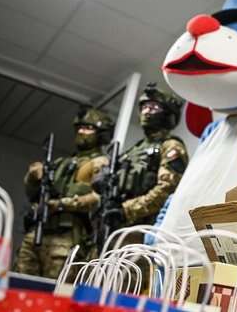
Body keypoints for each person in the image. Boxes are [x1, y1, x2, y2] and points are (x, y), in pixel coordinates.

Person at [14, 107, 113, 279]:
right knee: (19, 286)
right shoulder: (61, 162)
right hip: (37, 232)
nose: (82, 132)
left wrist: (60, 205)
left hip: (68, 238)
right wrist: (33, 176)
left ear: (101, 134)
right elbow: (32, 193)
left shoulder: (101, 163)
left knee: (54, 293)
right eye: (80, 128)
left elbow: (99, 199)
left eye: (89, 128)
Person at [92, 83, 187, 242]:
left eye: (154, 107)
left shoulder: (170, 146)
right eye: (144, 107)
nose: (147, 111)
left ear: (167, 114)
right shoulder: (132, 151)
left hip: (141, 231)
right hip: (114, 226)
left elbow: (167, 189)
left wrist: (126, 210)